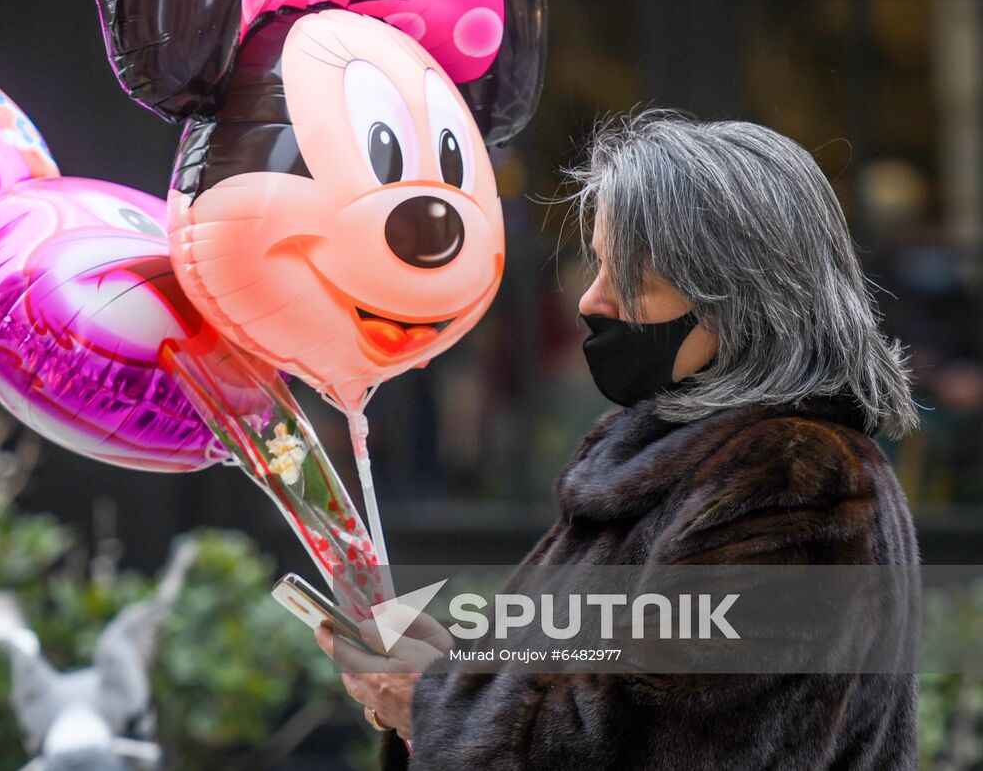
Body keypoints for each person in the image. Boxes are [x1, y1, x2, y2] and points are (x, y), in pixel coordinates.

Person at [316, 112, 920, 769]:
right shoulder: (676, 460)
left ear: (735, 296)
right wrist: (458, 674)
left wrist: (435, 703)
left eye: (632, 279)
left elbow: (667, 745)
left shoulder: (792, 477)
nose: (592, 300)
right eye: (597, 267)